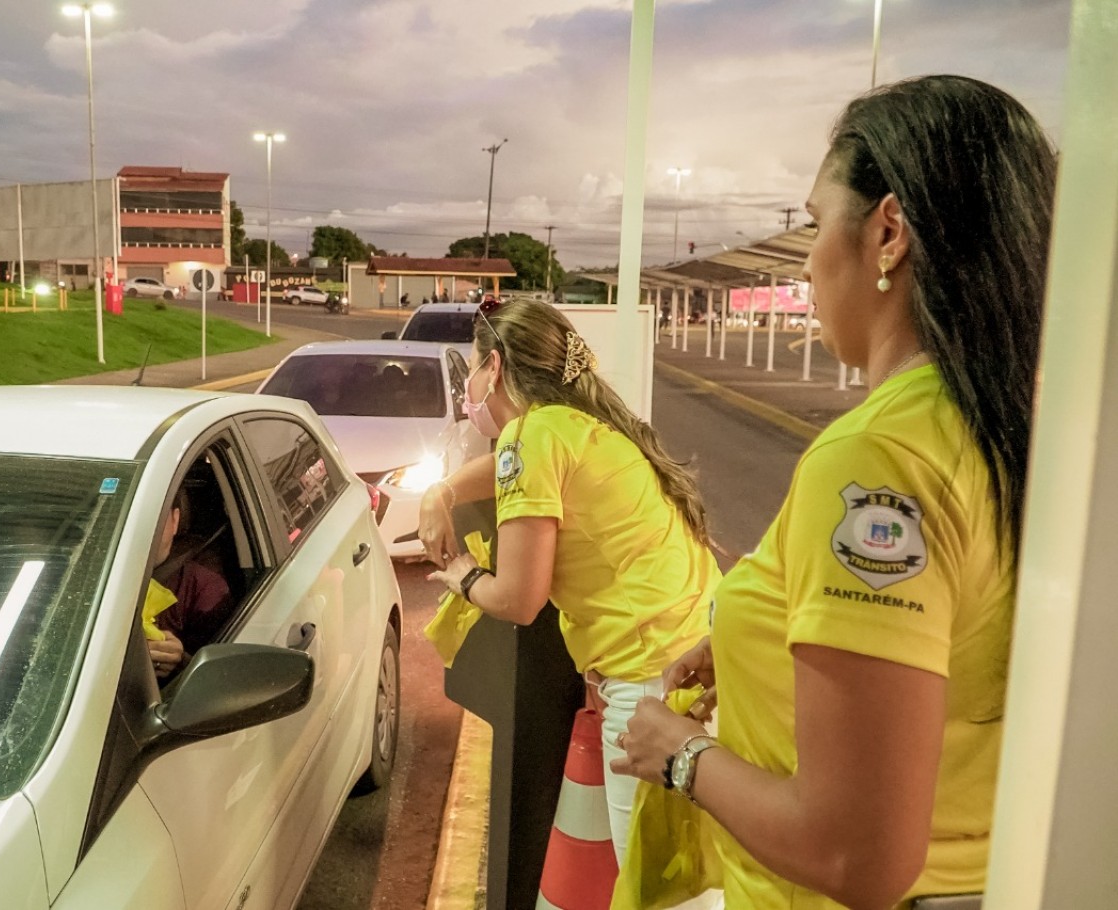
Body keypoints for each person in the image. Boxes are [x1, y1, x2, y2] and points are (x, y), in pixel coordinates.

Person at [611, 75, 1056, 908]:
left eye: (816, 224)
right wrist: (761, 644)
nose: (810, 261)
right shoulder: (1016, 419)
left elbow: (855, 853)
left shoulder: (878, 459)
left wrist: (677, 754)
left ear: (888, 232)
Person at [421, 296, 720, 862]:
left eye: (473, 367)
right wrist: (446, 489)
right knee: (692, 874)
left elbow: (518, 598)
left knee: (653, 883)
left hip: (651, 680)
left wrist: (462, 576)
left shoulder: (529, 436)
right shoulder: (581, 426)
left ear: (497, 368)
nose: (469, 387)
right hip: (697, 656)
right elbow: (517, 474)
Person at [144, 488, 234, 680]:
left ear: (175, 520)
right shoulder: (89, 576)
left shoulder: (206, 589)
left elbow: (221, 679)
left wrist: (179, 661)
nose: (141, 527)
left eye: (153, 514)